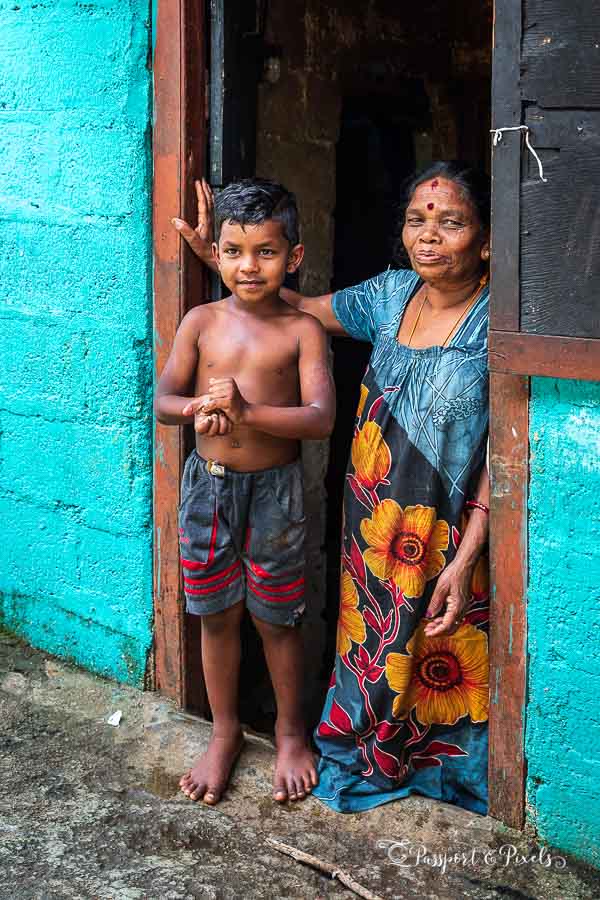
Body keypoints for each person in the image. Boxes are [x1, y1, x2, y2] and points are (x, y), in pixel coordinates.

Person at [173, 162, 491, 815]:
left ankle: (438, 763)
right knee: (371, 640)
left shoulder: (499, 319)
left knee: (439, 648)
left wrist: (470, 551)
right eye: (417, 220)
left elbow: (510, 451)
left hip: (449, 525)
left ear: (485, 241)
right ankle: (354, 745)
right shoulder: (389, 295)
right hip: (373, 518)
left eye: (451, 222)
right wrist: (224, 260)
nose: (428, 236)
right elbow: (288, 302)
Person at [157, 178, 335, 806]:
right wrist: (198, 409)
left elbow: (319, 418)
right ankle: (225, 730)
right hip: (207, 489)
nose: (246, 266)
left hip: (275, 496)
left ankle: (289, 733)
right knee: (215, 614)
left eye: (265, 251)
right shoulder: (201, 321)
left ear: (295, 258)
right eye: (233, 251)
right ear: (220, 253)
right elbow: (163, 399)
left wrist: (250, 412)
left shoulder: (301, 329)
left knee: (277, 619)